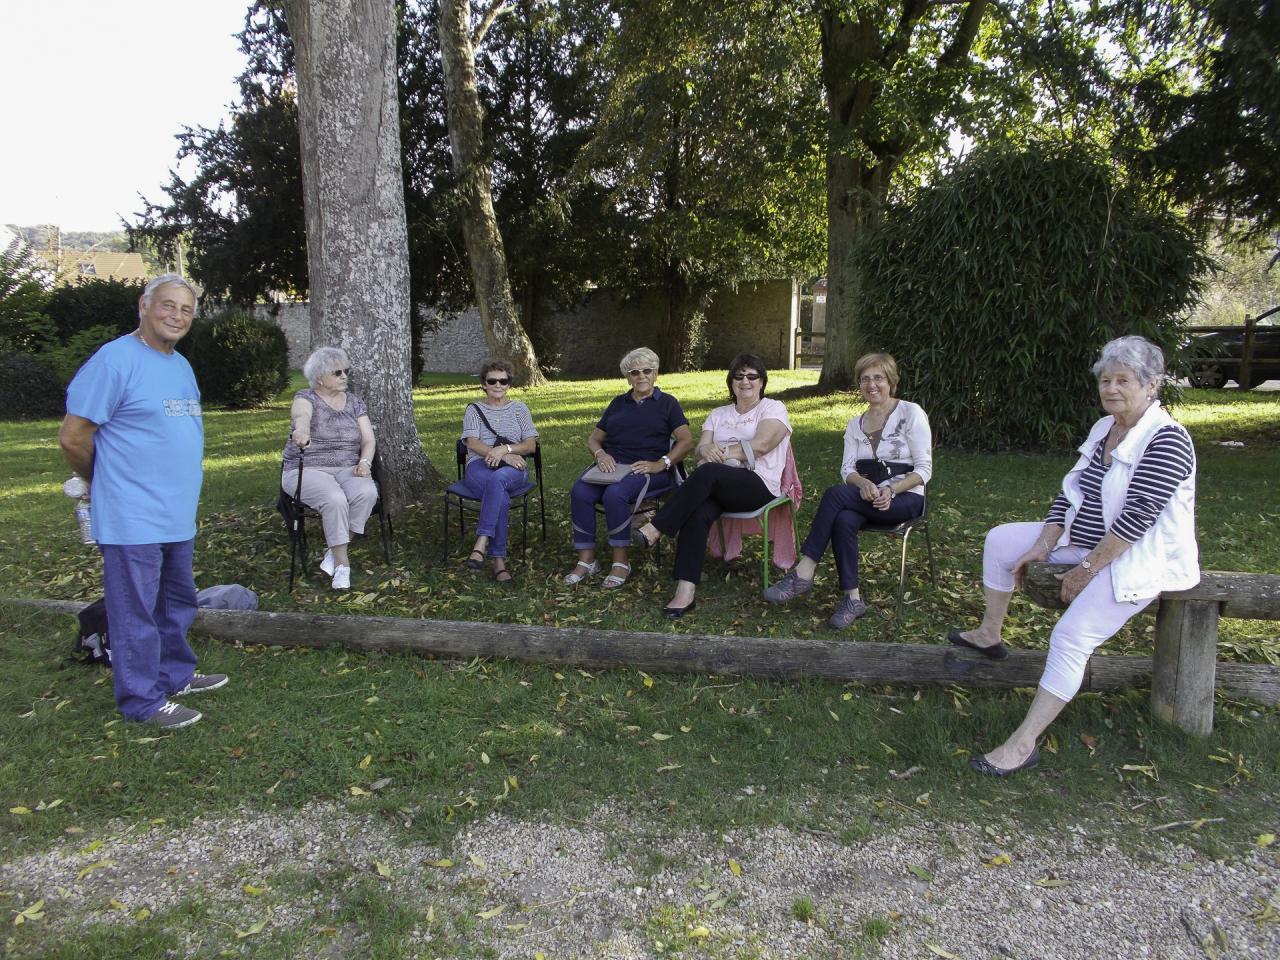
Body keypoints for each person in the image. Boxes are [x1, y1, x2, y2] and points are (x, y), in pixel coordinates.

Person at [951, 335, 1198, 777]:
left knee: (1070, 638)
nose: (1111, 388)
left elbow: (1138, 518)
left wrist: (1084, 570)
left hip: (1134, 557)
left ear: (1151, 385)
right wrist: (1045, 543)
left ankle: (1023, 744)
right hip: (1086, 542)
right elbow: (1071, 492)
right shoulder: (1105, 428)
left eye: (1123, 380)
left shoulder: (1168, 440)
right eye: (1106, 380)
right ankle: (990, 633)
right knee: (1000, 540)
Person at [59, 273, 227, 731]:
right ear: (144, 306)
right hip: (132, 514)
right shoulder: (114, 361)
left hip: (176, 512)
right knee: (135, 611)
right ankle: (141, 700)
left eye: (186, 310)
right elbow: (74, 438)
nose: (177, 316)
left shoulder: (179, 365)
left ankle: (174, 675)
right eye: (168, 306)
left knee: (176, 603)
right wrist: (104, 480)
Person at [763, 352, 932, 628]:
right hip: (865, 498)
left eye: (878, 377)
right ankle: (852, 599)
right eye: (865, 379)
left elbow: (925, 469)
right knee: (843, 518)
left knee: (834, 495)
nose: (871, 384)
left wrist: (891, 489)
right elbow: (847, 470)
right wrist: (863, 483)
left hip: (905, 499)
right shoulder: (856, 424)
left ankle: (804, 571)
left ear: (891, 380)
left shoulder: (910, 413)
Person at [633, 353, 793, 618]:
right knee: (697, 510)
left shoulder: (773, 408)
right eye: (738, 376)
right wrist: (710, 451)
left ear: (762, 382)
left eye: (752, 376)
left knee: (709, 473)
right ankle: (685, 592)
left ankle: (656, 527)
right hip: (718, 486)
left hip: (758, 485)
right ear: (731, 383)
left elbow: (762, 444)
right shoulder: (719, 414)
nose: (745, 381)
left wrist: (724, 452)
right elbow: (701, 449)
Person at [564, 347, 694, 589]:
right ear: (628, 377)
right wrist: (601, 454)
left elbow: (686, 440)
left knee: (615, 494)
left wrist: (661, 463)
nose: (641, 376)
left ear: (655, 374)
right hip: (612, 467)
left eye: (647, 371)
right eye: (634, 372)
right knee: (579, 492)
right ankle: (586, 560)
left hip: (646, 469)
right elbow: (594, 439)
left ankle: (621, 562)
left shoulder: (667, 403)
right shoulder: (618, 403)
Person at [281, 346, 378, 591]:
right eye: (337, 372)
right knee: (335, 499)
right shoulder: (306, 397)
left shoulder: (355, 402)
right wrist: (302, 430)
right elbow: (301, 415)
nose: (344, 376)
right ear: (320, 378)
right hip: (307, 469)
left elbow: (368, 440)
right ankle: (343, 565)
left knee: (367, 493)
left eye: (346, 371)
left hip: (347, 467)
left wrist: (364, 463)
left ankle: (333, 553)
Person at [458, 359, 539, 582]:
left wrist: (505, 450)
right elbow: (472, 443)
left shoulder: (520, 409)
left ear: (509, 384)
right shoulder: (474, 409)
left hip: (514, 466)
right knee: (500, 496)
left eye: (503, 381)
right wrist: (493, 453)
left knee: (500, 479)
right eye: (492, 380)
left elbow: (530, 445)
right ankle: (498, 562)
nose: (498, 385)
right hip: (479, 466)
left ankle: (481, 542)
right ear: (484, 384)